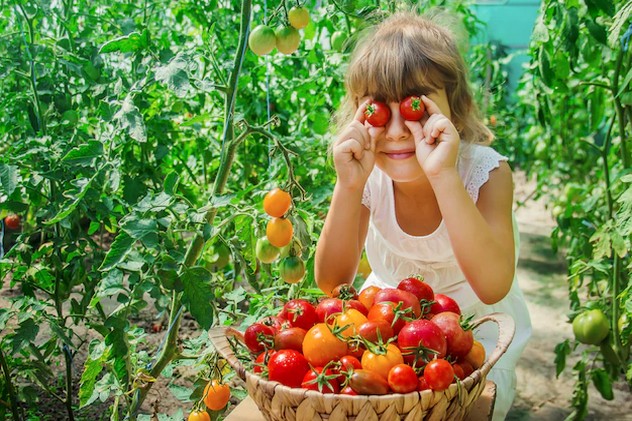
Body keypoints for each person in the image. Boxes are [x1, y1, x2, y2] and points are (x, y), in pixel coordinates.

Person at [314, 10, 531, 420]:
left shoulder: (485, 173)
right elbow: (332, 283)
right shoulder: (367, 177)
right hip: (389, 325)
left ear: (455, 106)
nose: (396, 130)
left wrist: (443, 175)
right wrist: (348, 187)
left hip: (476, 329)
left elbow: (492, 287)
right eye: (378, 109)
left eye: (416, 107)